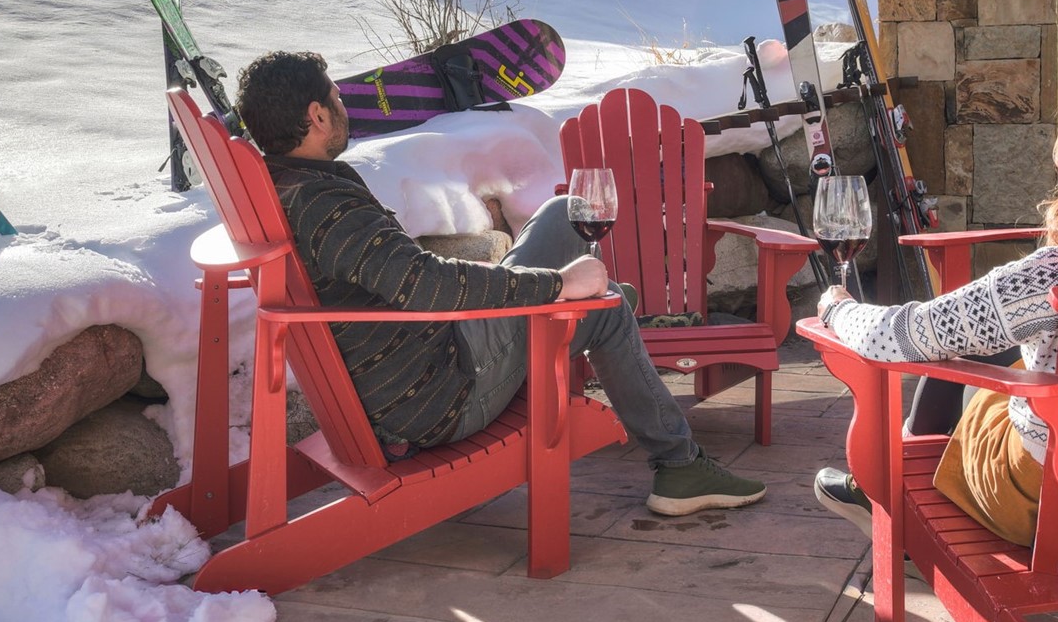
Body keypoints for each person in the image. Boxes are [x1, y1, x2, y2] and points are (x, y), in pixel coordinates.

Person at [234, 51, 766, 517]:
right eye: (337, 99)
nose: (346, 109)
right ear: (317, 115)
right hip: (439, 394)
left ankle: (598, 309)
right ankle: (679, 463)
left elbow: (413, 282)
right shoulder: (327, 206)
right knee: (598, 307)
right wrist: (554, 287)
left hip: (428, 357)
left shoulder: (294, 187)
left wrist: (527, 283)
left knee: (566, 212)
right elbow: (426, 287)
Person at [812, 66, 1058, 546]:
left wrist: (836, 307)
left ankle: (892, 506)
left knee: (961, 359)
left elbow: (898, 336)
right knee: (1009, 354)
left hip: (1047, 499)